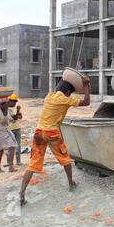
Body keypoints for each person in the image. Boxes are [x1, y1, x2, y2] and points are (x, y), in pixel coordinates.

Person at [19, 77, 90, 206]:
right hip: (52, 133)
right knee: (65, 159)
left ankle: (22, 193)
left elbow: (60, 88)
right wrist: (85, 86)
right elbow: (86, 102)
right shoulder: (64, 99)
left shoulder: (49, 96)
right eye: (70, 93)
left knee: (33, 164)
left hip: (39, 132)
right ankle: (71, 183)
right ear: (68, 92)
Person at [0, 98, 19, 173]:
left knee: (12, 146)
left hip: (6, 131)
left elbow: (14, 119)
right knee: (0, 150)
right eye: (11, 103)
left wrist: (18, 111)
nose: (13, 104)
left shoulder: (9, 111)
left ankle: (11, 167)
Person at [4, 94, 23, 167]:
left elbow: (20, 117)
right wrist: (17, 112)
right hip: (9, 130)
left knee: (18, 146)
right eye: (14, 102)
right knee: (9, 146)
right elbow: (14, 118)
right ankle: (9, 162)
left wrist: (18, 114)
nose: (15, 103)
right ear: (9, 101)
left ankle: (18, 161)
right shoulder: (5, 109)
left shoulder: (15, 108)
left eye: (15, 102)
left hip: (17, 129)